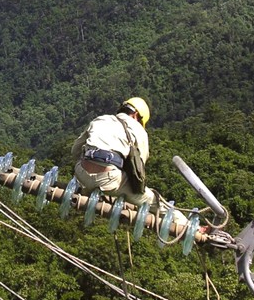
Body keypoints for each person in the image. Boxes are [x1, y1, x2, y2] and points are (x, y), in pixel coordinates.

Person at [72, 97, 188, 227]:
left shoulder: (100, 119)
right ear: (137, 115)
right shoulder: (139, 130)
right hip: (109, 178)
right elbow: (139, 169)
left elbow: (75, 150)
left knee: (94, 182)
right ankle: (187, 224)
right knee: (154, 201)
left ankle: (86, 190)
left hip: (81, 172)